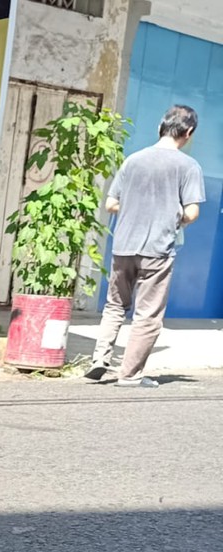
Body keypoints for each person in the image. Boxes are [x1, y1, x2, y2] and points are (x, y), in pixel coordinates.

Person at [86, 105, 204, 388]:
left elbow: (111, 203)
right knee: (147, 314)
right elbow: (191, 212)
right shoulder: (188, 166)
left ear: (159, 128)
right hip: (157, 250)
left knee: (115, 305)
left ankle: (99, 359)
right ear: (188, 133)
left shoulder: (133, 160)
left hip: (123, 246)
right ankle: (129, 375)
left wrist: (136, 207)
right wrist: (173, 216)